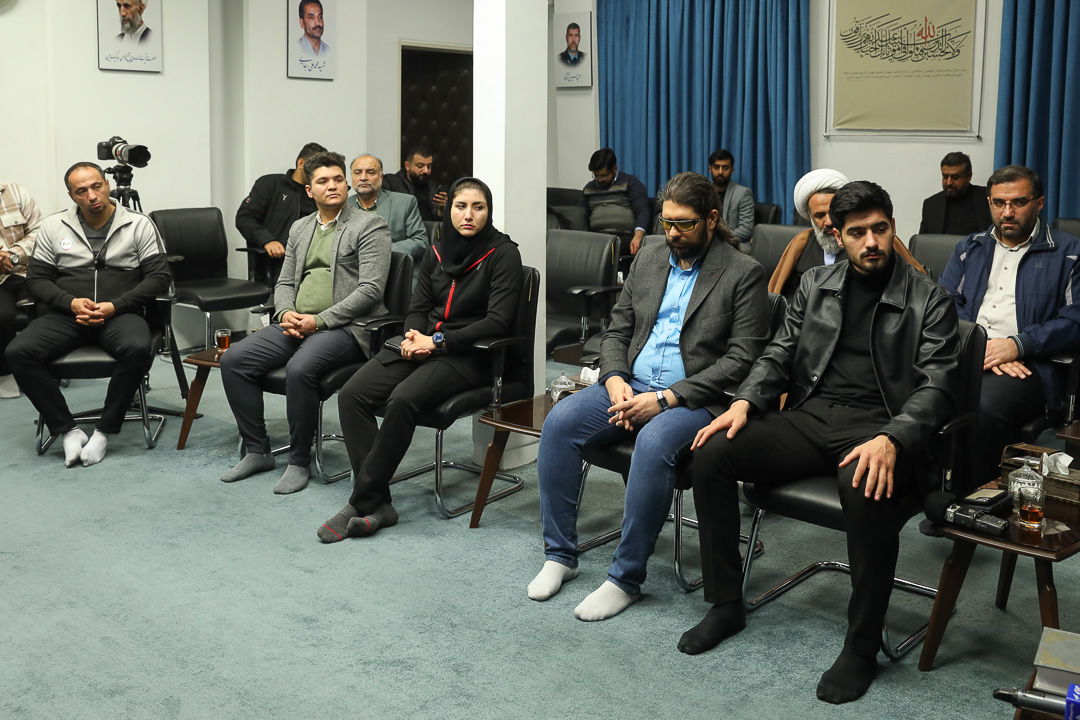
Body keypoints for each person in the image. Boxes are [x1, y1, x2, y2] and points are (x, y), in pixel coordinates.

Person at [681, 181, 961, 705]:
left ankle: (861, 647)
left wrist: (892, 437)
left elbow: (938, 386)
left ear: (893, 228)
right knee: (713, 453)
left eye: (880, 229)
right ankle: (725, 604)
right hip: (813, 417)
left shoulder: (931, 299)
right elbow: (779, 353)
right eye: (857, 233)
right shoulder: (815, 283)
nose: (871, 242)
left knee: (864, 482)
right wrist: (744, 402)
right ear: (837, 234)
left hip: (882, 426)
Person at [528, 172, 769, 621]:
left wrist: (665, 400)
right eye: (666, 222)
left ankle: (625, 579)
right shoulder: (650, 257)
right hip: (630, 385)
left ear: (711, 219)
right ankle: (560, 555)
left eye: (684, 224)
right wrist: (614, 377)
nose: (672, 233)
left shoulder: (743, 272)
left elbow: (741, 359)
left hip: (695, 399)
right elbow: (617, 329)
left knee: (654, 442)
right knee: (559, 423)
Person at [318, 177, 523, 543]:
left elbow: (497, 321)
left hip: (470, 355)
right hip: (422, 344)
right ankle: (379, 503)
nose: (469, 215)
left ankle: (360, 501)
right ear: (448, 210)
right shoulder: (437, 250)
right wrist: (413, 336)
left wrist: (437, 341)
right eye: (461, 206)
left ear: (488, 212)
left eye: (478, 207)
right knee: (351, 394)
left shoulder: (503, 254)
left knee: (402, 400)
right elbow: (418, 307)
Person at [219, 151, 391, 495]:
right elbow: (284, 282)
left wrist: (319, 320)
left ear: (346, 184)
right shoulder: (300, 227)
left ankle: (299, 460)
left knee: (300, 369)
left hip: (346, 327)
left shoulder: (370, 225)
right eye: (323, 181)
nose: (333, 186)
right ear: (309, 190)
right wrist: (285, 314)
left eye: (338, 179)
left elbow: (371, 290)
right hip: (296, 322)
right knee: (233, 359)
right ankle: (258, 450)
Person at [6, 162, 171, 467]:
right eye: (81, 191)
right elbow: (37, 280)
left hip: (120, 313)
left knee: (137, 348)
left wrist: (115, 306)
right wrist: (71, 303)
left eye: (96, 186)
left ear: (107, 185)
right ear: (72, 195)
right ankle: (67, 430)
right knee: (17, 352)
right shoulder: (54, 226)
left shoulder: (139, 224)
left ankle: (104, 432)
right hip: (66, 314)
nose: (92, 195)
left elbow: (159, 277)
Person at [939, 164, 1080, 486]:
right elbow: (944, 307)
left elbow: (1075, 321)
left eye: (1018, 202)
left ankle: (981, 494)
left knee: (982, 406)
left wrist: (1017, 345)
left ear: (1038, 203)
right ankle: (934, 486)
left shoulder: (1069, 253)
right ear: (989, 202)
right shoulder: (969, 248)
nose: (1007, 212)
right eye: (999, 203)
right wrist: (981, 347)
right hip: (969, 353)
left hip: (1031, 365)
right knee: (917, 390)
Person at [770, 169, 924, 300]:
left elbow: (912, 288)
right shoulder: (801, 244)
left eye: (832, 213)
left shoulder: (876, 243)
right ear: (810, 218)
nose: (829, 222)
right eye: (820, 215)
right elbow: (785, 295)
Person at [235, 142, 326, 287]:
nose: (320, 173)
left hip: (314, 261)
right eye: (317, 167)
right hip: (278, 262)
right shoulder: (271, 184)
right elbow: (244, 218)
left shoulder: (320, 192)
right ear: (301, 163)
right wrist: (267, 240)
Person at [348, 154, 429, 281]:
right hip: (355, 278)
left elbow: (420, 242)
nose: (363, 178)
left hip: (396, 276)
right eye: (357, 173)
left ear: (381, 177)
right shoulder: (343, 207)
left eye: (370, 172)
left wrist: (380, 250)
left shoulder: (405, 203)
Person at [0, 182, 43, 399]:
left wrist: (13, 254)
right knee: (2, 316)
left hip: (26, 270)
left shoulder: (15, 192)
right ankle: (5, 372)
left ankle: (45, 363)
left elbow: (39, 230)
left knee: (49, 304)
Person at [580, 148, 651, 255]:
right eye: (596, 176)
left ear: (614, 168)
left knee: (606, 249)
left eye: (603, 176)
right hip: (597, 236)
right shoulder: (589, 189)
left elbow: (643, 211)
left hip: (624, 235)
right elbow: (581, 214)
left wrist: (638, 236)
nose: (600, 180)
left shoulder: (630, 183)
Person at [919, 152, 992, 236]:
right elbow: (923, 240)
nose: (949, 182)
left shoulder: (987, 199)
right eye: (945, 177)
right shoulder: (931, 204)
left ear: (969, 177)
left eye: (955, 177)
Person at [383, 146, 446, 222]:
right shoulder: (391, 182)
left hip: (431, 228)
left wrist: (441, 208)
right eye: (420, 166)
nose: (426, 171)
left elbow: (439, 220)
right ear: (407, 166)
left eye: (429, 166)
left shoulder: (433, 187)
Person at [707, 149, 754, 246]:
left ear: (732, 170)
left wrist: (718, 238)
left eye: (725, 168)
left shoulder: (743, 193)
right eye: (716, 167)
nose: (720, 172)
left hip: (734, 244)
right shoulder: (704, 192)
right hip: (708, 243)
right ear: (710, 169)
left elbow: (746, 229)